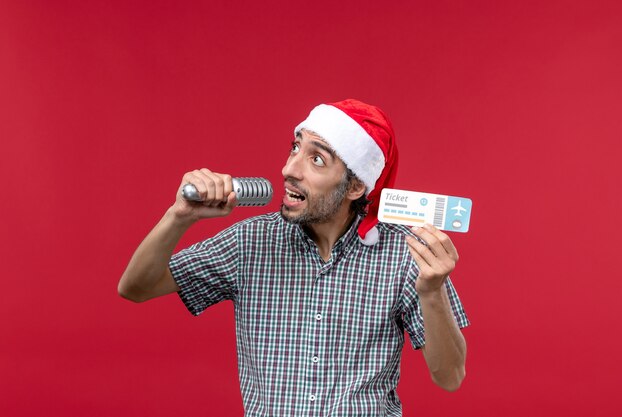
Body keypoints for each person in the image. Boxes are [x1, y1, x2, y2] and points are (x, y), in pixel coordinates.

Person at [118, 99, 469, 416]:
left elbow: (450, 377)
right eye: (295, 148)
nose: (290, 169)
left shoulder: (406, 254)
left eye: (316, 159)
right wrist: (180, 216)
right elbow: (135, 288)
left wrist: (431, 291)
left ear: (355, 186)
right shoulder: (251, 241)